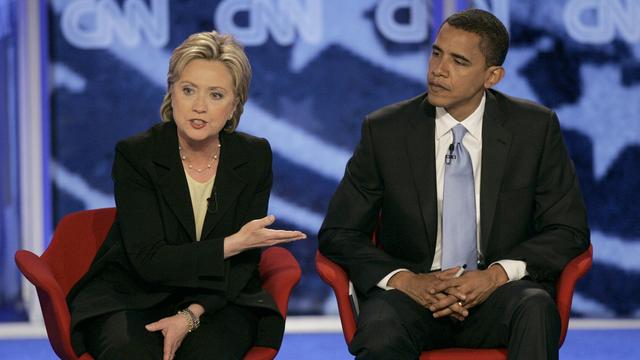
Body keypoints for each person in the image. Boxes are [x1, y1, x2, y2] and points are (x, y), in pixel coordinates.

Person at [318, 9, 589, 360]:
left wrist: (495, 275)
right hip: (413, 296)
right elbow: (339, 233)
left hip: (497, 294)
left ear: (493, 76)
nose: (438, 70)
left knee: (534, 307)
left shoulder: (534, 130)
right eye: (436, 53)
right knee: (380, 326)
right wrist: (405, 280)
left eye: (459, 61)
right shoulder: (386, 131)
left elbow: (568, 229)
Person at [66, 31, 306, 360]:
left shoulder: (253, 156)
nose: (199, 106)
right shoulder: (137, 155)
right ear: (172, 92)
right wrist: (230, 244)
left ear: (234, 104)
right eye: (188, 90)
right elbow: (150, 261)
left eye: (216, 95)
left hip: (215, 299)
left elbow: (241, 266)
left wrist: (191, 313)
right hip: (136, 294)